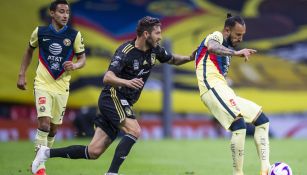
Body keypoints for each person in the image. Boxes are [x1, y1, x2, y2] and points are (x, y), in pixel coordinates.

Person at [31, 16, 195, 175]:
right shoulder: (126, 51)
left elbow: (172, 59)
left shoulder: (155, 50)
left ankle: (45, 153)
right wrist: (127, 82)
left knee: (93, 151)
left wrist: (189, 58)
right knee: (134, 130)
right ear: (146, 34)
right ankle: (112, 173)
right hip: (112, 97)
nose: (160, 36)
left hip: (123, 101)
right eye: (157, 33)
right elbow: (107, 77)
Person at [194, 13, 270, 175]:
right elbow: (212, 47)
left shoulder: (226, 47)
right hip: (211, 87)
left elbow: (199, 53)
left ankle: (266, 169)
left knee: (262, 121)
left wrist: (188, 57)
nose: (240, 39)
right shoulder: (216, 36)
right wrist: (236, 53)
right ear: (227, 31)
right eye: (238, 35)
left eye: (242, 35)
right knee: (239, 126)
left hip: (224, 89)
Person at [17, 1, 86, 175]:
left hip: (62, 87)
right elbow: (29, 51)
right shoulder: (40, 32)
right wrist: (22, 74)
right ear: (52, 13)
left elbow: (82, 58)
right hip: (42, 84)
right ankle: (40, 168)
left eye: (67, 12)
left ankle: (38, 160)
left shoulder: (74, 35)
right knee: (45, 123)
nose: (65, 15)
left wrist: (76, 66)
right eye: (61, 12)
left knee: (54, 128)